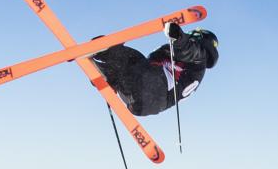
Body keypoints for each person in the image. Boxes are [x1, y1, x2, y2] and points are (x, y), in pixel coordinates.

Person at [91, 23, 219, 117]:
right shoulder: (177, 57)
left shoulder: (199, 58)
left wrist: (179, 37)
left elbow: (190, 51)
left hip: (155, 91)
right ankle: (108, 71)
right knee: (134, 62)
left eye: (193, 35)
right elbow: (148, 62)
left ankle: (107, 62)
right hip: (143, 102)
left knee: (134, 60)